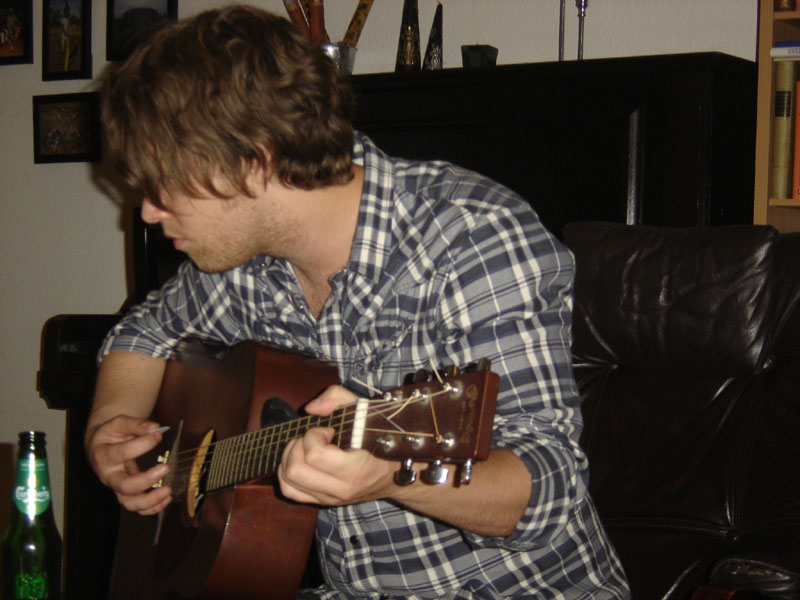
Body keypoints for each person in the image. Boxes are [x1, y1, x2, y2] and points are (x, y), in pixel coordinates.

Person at [85, 5, 629, 599]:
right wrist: (110, 428)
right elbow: (144, 330)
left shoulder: (472, 238)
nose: (148, 212)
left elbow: (548, 491)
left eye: (164, 183)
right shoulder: (238, 267)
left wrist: (392, 475)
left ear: (253, 159)